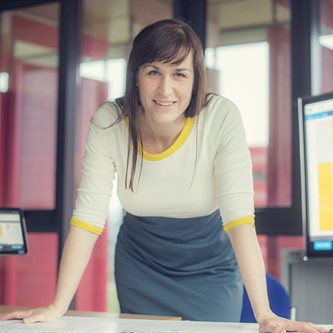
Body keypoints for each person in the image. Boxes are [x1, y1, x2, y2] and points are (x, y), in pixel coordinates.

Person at [0, 19, 328, 333]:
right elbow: (87, 220)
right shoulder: (110, 121)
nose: (165, 88)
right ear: (136, 76)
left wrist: (265, 313)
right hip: (140, 263)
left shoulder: (220, 117)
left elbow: (239, 220)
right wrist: (57, 306)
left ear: (196, 79)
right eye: (153, 71)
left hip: (209, 267)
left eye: (179, 74)